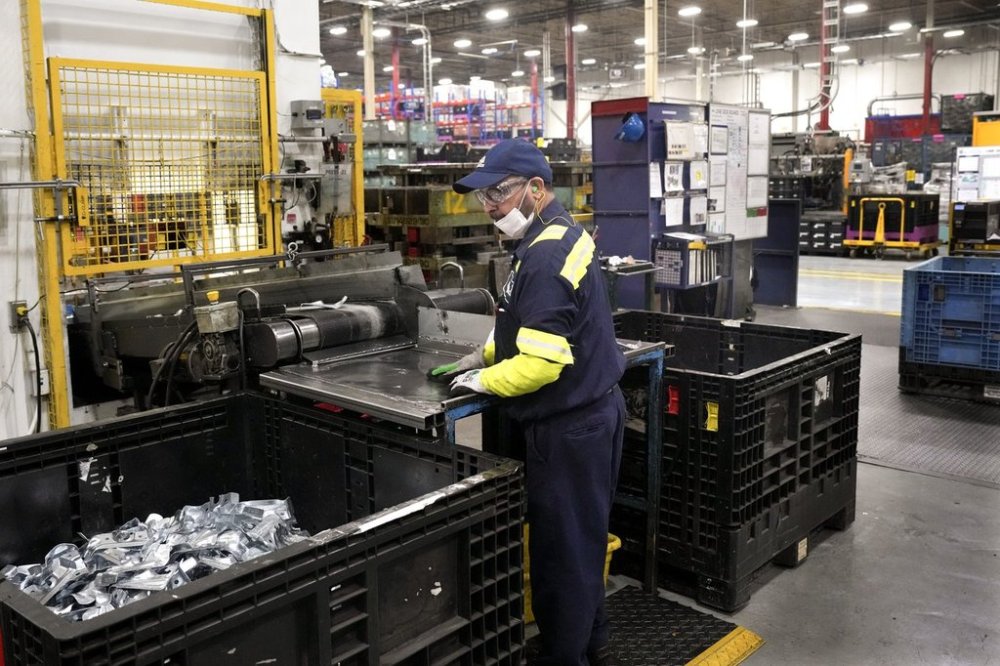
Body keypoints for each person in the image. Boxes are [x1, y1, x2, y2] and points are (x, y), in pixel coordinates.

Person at [436, 139, 626, 665]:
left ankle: (565, 658)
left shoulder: (544, 255)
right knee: (582, 544)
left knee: (562, 556)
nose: (489, 206)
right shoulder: (555, 233)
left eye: (498, 193)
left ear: (536, 189)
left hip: (570, 428)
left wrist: (485, 381)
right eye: (483, 197)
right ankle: (592, 643)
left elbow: (542, 363)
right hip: (589, 415)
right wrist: (486, 353)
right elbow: (532, 324)